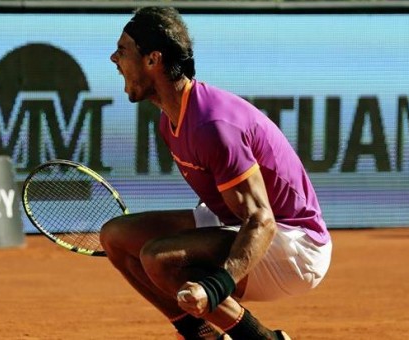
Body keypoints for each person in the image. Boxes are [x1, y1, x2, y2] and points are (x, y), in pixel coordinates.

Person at [101, 6, 332, 340]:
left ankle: (260, 338)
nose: (114, 59)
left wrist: (214, 286)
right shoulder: (172, 119)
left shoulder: (213, 125)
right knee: (117, 237)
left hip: (294, 246)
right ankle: (203, 336)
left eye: (123, 51)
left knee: (158, 257)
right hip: (246, 226)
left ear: (153, 59)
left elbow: (261, 220)